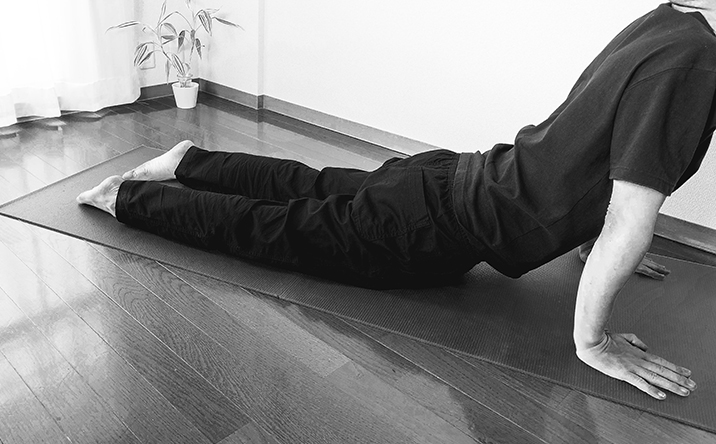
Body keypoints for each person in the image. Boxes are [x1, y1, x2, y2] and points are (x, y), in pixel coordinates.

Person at [78, 2, 715, 400]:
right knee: (278, 231)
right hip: (433, 230)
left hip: (447, 174)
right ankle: (126, 198)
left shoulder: (673, 21)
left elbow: (586, 139)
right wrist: (592, 343)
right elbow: (631, 212)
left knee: (312, 184)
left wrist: (588, 236)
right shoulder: (696, 64)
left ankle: (187, 161)